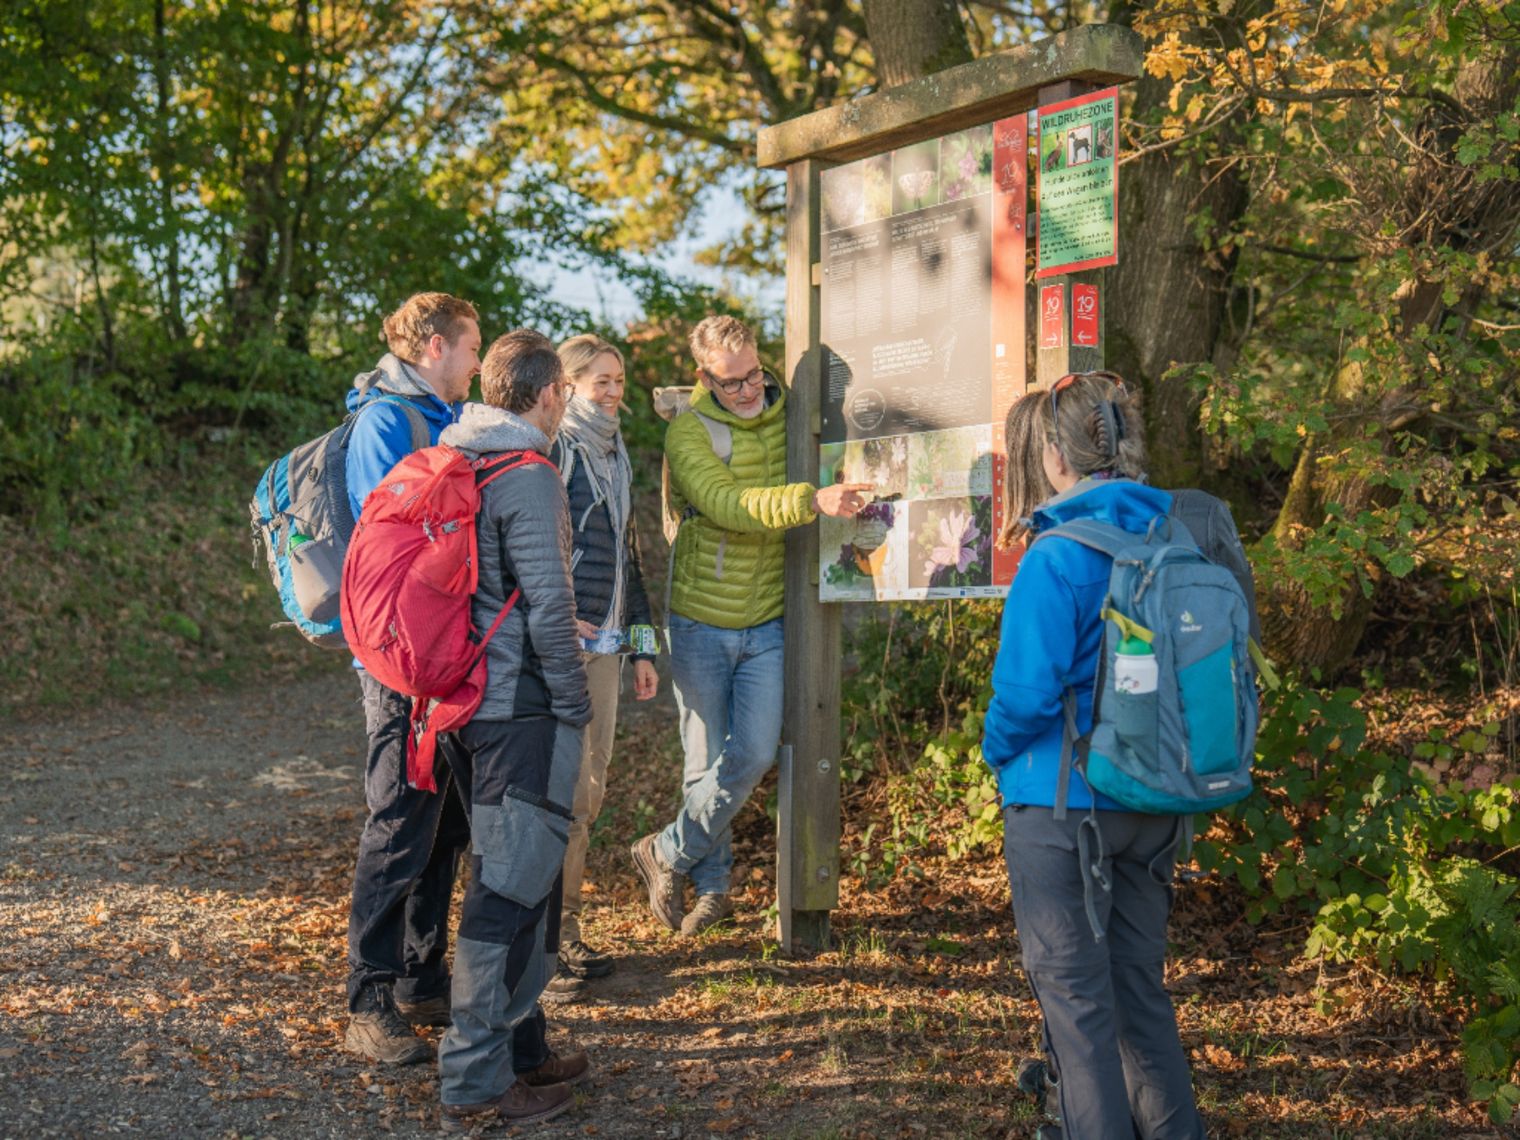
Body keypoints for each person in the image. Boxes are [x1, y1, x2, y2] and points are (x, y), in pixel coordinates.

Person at [982, 373, 1208, 1140]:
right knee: (1140, 994)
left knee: (1077, 1013)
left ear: (1053, 453)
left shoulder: (1057, 554)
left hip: (1061, 806)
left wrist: (995, 755)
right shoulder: (1171, 536)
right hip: (1154, 802)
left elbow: (1025, 694)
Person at [629, 315, 871, 936]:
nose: (747, 391)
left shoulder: (791, 413)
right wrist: (809, 501)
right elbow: (728, 506)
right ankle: (710, 890)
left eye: (754, 376)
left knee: (756, 752)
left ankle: (665, 852)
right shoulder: (689, 432)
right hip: (702, 620)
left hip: (765, 619)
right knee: (703, 760)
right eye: (730, 382)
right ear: (704, 377)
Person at [433, 329, 593, 1129]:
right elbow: (550, 609)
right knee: (506, 887)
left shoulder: (464, 456)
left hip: (469, 701)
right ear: (549, 393)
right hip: (517, 708)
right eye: (564, 392)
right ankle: (474, 1080)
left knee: (516, 876)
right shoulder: (527, 476)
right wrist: (575, 702)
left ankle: (521, 1050)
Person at [343, 292, 481, 1065]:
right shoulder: (387, 422)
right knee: (399, 820)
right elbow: (383, 554)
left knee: (447, 820)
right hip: (400, 664)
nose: (475, 363)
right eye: (469, 348)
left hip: (443, 658)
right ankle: (368, 1001)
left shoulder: (435, 416)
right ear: (434, 346)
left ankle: (419, 979)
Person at [542, 334, 659, 1003]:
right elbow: (541, 540)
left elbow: (629, 556)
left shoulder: (615, 456)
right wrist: (557, 615)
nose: (614, 393)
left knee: (591, 792)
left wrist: (643, 646)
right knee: (563, 793)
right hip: (568, 646)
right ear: (568, 383)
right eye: (600, 382)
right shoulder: (559, 448)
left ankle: (568, 931)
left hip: (612, 647)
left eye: (619, 381)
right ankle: (545, 947)